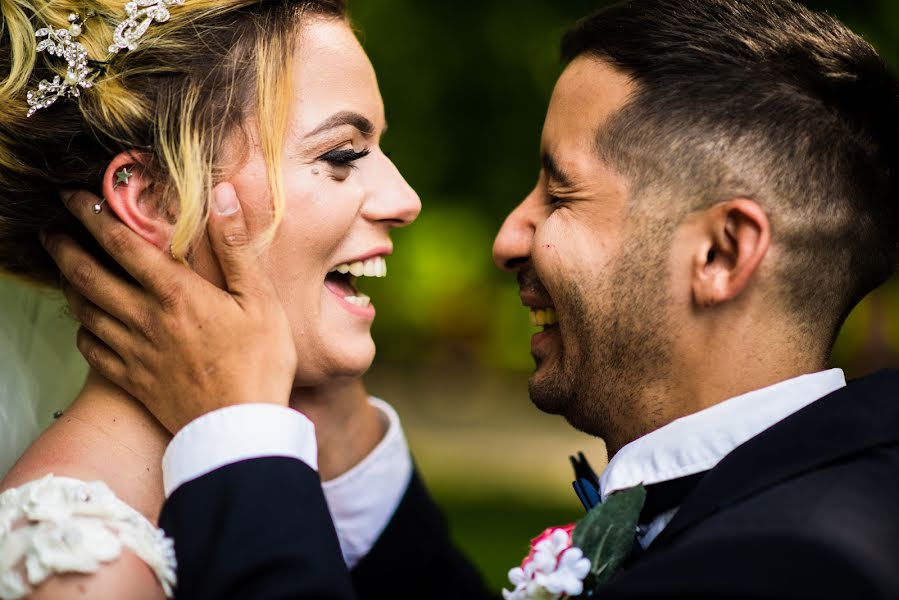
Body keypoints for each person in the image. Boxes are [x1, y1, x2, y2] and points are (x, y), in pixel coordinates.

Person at [18, 0, 899, 597]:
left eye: (558, 192)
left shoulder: (802, 563)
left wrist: (238, 441)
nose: (503, 236)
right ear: (149, 198)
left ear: (719, 252)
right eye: (340, 154)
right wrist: (334, 429)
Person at [0, 1, 477, 598]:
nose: (405, 200)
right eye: (342, 155)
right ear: (152, 200)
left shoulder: (284, 494)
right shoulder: (84, 568)